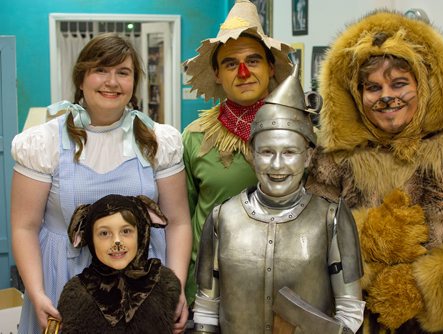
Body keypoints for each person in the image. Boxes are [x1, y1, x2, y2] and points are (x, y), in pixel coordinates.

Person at [306, 10, 443, 333]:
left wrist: (422, 285)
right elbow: (310, 235)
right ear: (356, 94)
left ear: (423, 86)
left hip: (432, 327)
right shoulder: (333, 159)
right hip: (351, 322)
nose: (387, 97)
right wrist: (363, 249)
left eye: (399, 83)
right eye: (372, 87)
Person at [10, 33, 191, 334]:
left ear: (134, 83)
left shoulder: (159, 140)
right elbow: (24, 226)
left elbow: (178, 222)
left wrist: (177, 287)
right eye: (101, 71)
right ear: (81, 79)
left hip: (142, 290)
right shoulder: (43, 143)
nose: (112, 81)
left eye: (123, 72)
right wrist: (37, 291)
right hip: (64, 278)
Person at [190, 67, 365, 333]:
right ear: (252, 154)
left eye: (290, 152)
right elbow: (207, 307)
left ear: (307, 157)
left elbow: (350, 313)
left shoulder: (331, 219)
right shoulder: (222, 218)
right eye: (267, 151)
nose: (277, 164)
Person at [182, 0, 293, 306]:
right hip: (210, 292)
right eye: (231, 64)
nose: (243, 72)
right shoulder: (194, 137)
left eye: (253, 60)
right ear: (217, 74)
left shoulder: (301, 135)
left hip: (285, 291)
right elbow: (181, 221)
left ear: (271, 68)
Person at [57, 194, 181, 333]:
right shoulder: (77, 295)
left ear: (140, 233)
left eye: (126, 231)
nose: (117, 241)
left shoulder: (162, 282)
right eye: (104, 233)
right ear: (90, 239)